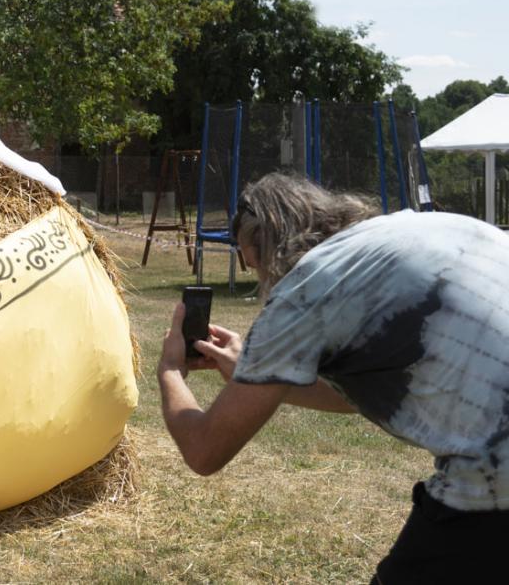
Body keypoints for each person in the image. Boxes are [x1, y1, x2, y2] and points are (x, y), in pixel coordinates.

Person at [157, 172, 509, 583]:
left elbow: (204, 450)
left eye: (255, 265)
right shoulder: (415, 228)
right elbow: (361, 395)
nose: (262, 281)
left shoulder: (306, 289)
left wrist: (170, 371)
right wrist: (261, 376)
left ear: (267, 245)